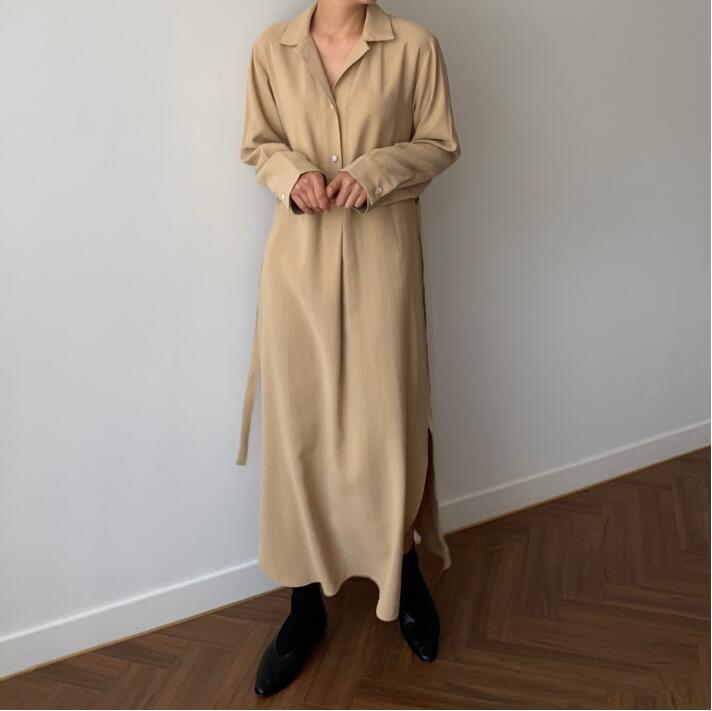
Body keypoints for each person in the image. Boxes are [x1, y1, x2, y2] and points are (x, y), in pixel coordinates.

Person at [236, 0, 461, 696]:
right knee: (299, 429)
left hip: (382, 263)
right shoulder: (271, 50)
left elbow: (440, 142)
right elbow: (257, 143)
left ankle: (404, 573)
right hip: (297, 271)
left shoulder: (415, 47)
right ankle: (304, 604)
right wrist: (290, 175)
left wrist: (377, 170)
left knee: (389, 425)